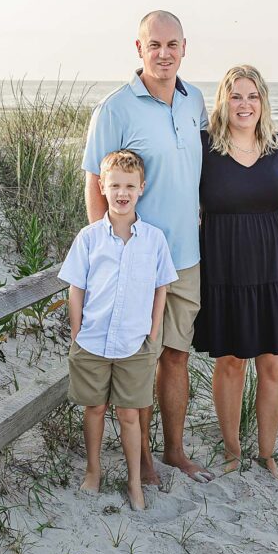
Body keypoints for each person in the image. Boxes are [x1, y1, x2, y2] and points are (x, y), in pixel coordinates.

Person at [82, 10, 213, 485]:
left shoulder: (194, 100)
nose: (164, 53)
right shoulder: (115, 108)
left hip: (186, 257)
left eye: (172, 44)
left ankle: (174, 451)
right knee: (141, 358)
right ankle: (142, 460)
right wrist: (106, 254)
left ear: (184, 47)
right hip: (136, 262)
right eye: (154, 45)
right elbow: (96, 183)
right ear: (139, 49)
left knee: (177, 356)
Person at [193, 64, 278, 478]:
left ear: (263, 102)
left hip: (275, 270)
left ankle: (266, 453)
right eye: (236, 96)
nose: (245, 104)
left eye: (252, 96)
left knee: (275, 365)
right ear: (223, 101)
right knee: (230, 364)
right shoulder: (204, 147)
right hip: (224, 271)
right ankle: (231, 451)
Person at [58, 149, 177, 511]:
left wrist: (154, 329)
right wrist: (77, 330)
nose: (122, 192)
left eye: (129, 185)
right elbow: (75, 287)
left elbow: (162, 286)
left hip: (135, 343)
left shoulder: (154, 239)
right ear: (102, 187)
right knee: (94, 408)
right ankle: (93, 471)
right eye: (114, 185)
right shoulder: (90, 237)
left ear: (141, 188)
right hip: (92, 340)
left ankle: (134, 481)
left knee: (129, 414)